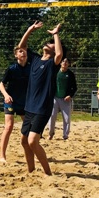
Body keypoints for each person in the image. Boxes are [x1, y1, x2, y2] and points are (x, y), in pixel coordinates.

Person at [15, 21, 63, 175]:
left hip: (42, 108)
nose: (48, 44)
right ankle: (31, 171)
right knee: (24, 141)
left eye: (52, 44)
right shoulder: (35, 59)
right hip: (30, 107)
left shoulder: (52, 64)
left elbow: (60, 55)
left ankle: (48, 172)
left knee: (32, 141)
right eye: (48, 43)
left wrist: (55, 34)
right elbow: (21, 46)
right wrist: (30, 29)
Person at [0, 42, 31, 162]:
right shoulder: (12, 69)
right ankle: (2, 156)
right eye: (20, 51)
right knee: (9, 126)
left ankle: (30, 152)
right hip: (11, 101)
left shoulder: (31, 68)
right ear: (16, 55)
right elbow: (1, 84)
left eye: (24, 50)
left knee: (29, 128)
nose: (23, 52)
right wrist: (6, 95)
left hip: (24, 102)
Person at [48, 57, 77, 141]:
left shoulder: (70, 74)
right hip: (55, 98)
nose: (65, 63)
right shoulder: (55, 72)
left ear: (69, 64)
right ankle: (51, 133)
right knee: (52, 116)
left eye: (67, 62)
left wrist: (70, 95)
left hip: (65, 99)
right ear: (60, 63)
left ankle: (65, 135)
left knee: (67, 118)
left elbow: (74, 87)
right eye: (63, 61)